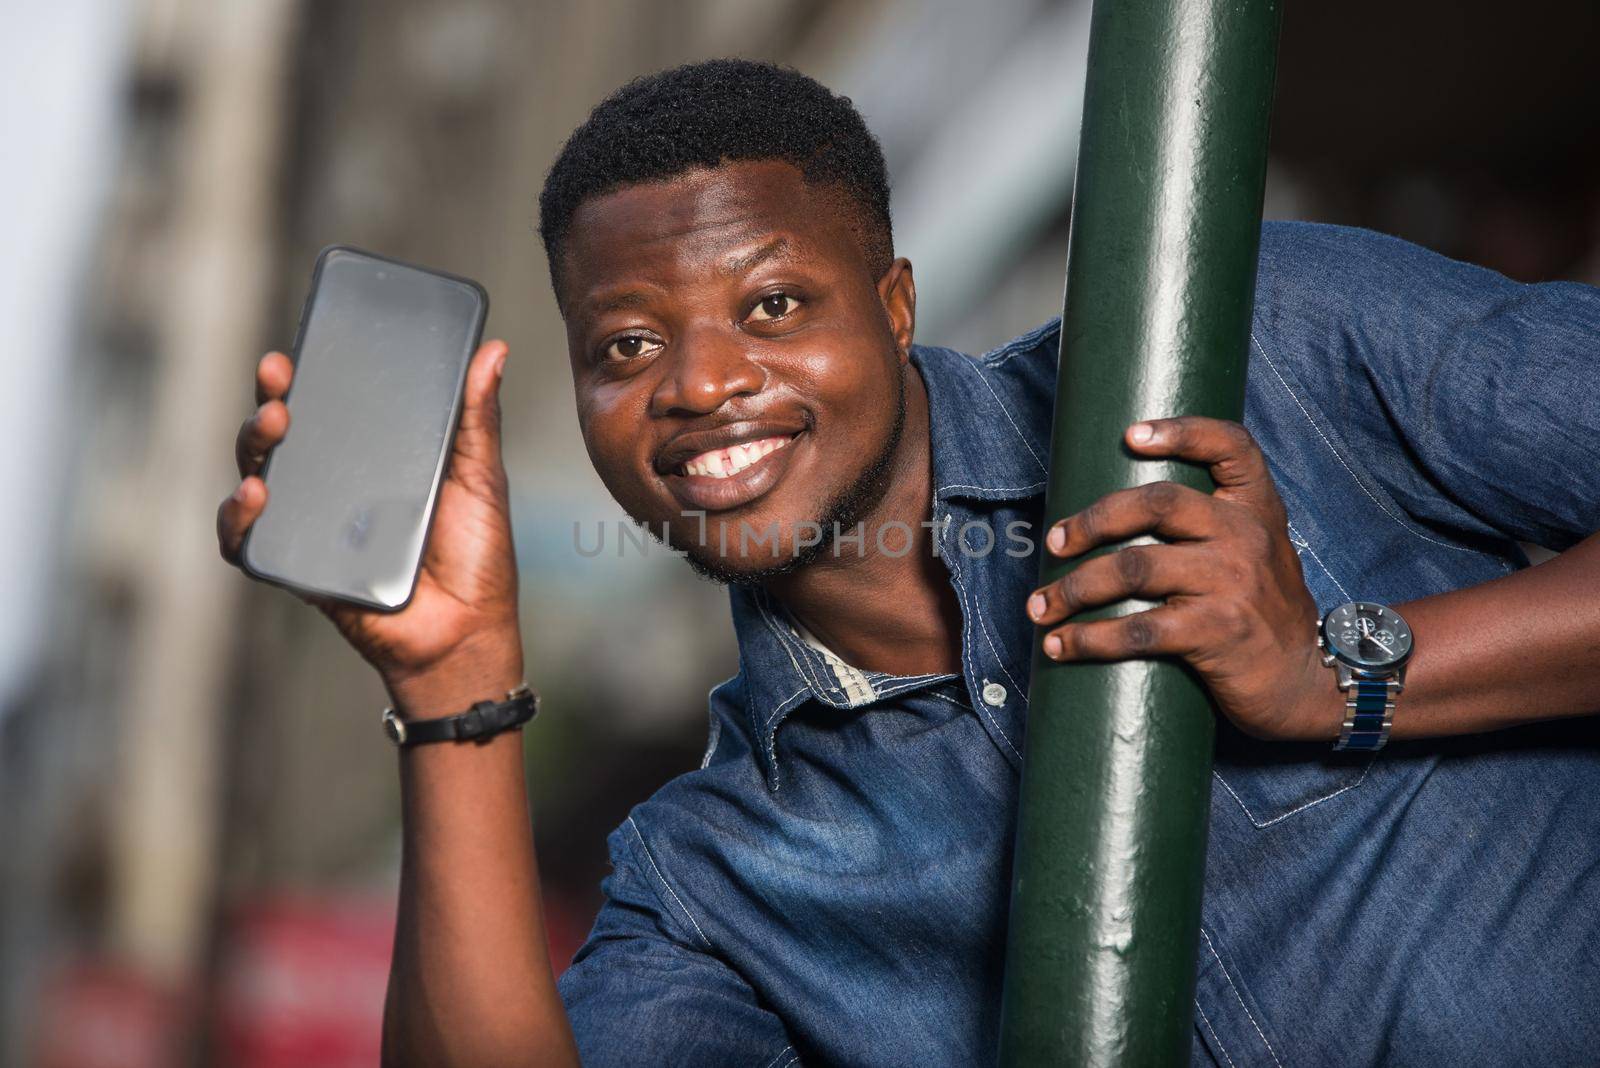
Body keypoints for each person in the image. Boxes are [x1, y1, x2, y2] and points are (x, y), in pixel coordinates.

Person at [217, 59, 1600, 1067]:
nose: (698, 383)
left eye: (772, 303)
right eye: (627, 348)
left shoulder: (1258, 341)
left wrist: (1347, 675)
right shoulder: (718, 879)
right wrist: (454, 682)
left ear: (896, 302)